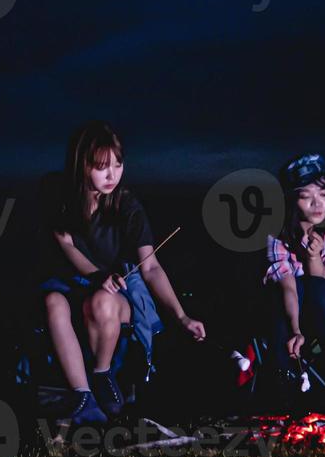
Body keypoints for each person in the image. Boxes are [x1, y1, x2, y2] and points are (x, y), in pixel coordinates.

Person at [40, 121, 207, 425]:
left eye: (118, 164)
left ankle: (101, 374)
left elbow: (152, 267)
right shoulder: (57, 195)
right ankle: (83, 396)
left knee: (101, 301)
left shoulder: (127, 206)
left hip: (114, 293)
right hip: (72, 283)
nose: (112, 175)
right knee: (53, 301)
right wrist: (95, 274)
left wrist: (182, 317)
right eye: (102, 166)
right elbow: (65, 244)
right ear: (81, 164)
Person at [264, 153, 325, 400]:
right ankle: (283, 383)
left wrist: (314, 257)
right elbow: (286, 284)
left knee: (319, 288)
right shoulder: (276, 231)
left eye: (324, 194)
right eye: (305, 197)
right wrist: (296, 329)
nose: (317, 204)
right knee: (284, 290)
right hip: (289, 302)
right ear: (291, 200)